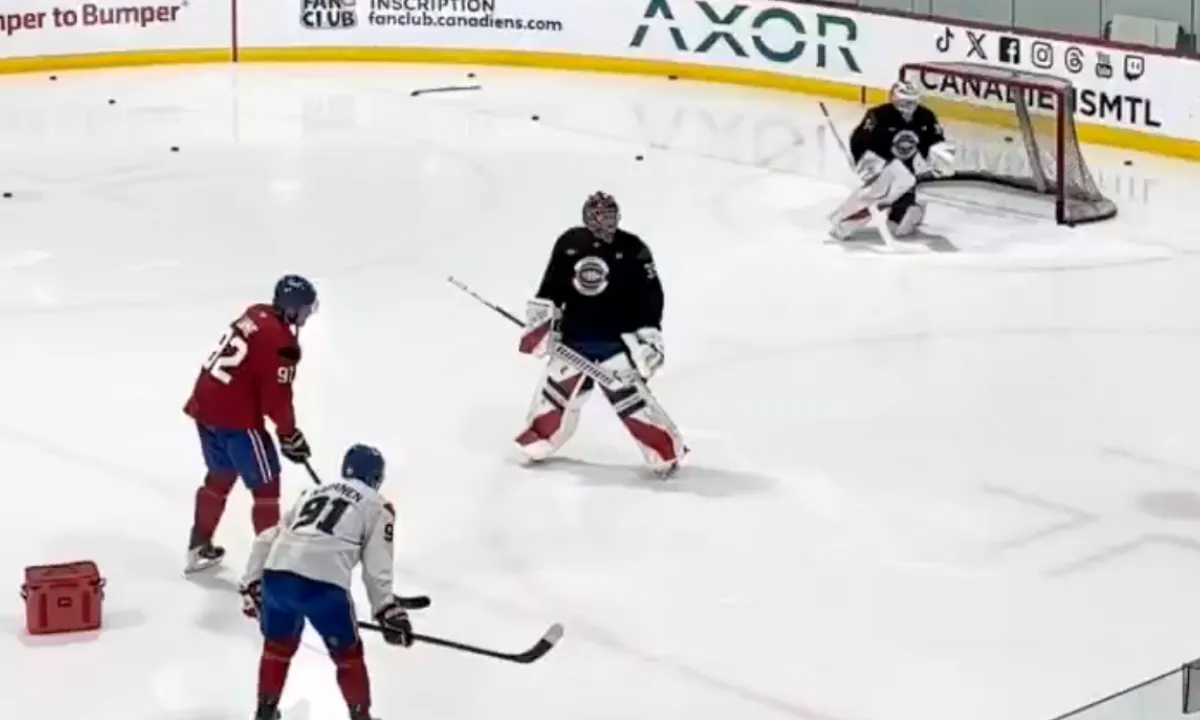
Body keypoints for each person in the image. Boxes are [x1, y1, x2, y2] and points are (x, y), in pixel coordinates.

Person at [515, 191, 685, 475]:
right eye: (598, 215)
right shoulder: (570, 243)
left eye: (609, 214)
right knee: (555, 397)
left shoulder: (634, 248)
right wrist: (540, 325)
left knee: (632, 403)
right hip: (573, 340)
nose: (604, 221)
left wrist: (649, 336)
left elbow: (651, 296)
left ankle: (665, 451)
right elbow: (551, 288)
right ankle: (539, 440)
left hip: (616, 343)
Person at [239, 444, 413, 720]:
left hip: (277, 576)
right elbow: (377, 565)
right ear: (377, 478)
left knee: (276, 646)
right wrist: (386, 608)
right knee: (348, 656)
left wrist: (251, 583)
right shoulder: (378, 505)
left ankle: (264, 713)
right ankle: (361, 717)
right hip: (324, 586)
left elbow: (266, 538)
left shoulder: (311, 491)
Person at [182, 275, 317, 574]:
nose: (308, 314)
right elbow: (276, 398)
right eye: (305, 309)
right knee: (267, 486)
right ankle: (270, 566)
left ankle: (198, 543)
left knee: (220, 474)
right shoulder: (282, 342)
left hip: (205, 406)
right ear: (292, 309)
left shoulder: (256, 312)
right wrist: (289, 434)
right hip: (236, 419)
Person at [830, 80, 956, 241]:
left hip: (909, 169)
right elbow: (859, 139)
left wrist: (940, 160)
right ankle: (843, 221)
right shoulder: (878, 115)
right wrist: (862, 160)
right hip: (883, 165)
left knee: (901, 228)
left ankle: (903, 212)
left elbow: (935, 142)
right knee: (876, 194)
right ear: (894, 99)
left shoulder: (926, 116)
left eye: (912, 102)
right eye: (903, 101)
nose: (908, 106)